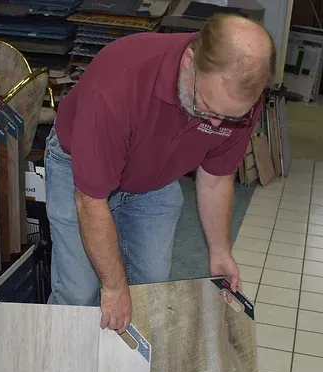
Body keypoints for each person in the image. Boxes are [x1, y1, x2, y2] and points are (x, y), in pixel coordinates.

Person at [45, 13, 275, 333]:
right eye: (206, 107)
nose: (218, 125)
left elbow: (216, 177)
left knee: (150, 290)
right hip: (81, 177)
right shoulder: (117, 83)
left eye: (231, 117)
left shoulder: (237, 101)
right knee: (79, 292)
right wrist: (113, 288)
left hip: (155, 179)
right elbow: (90, 201)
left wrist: (220, 250)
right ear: (189, 61)